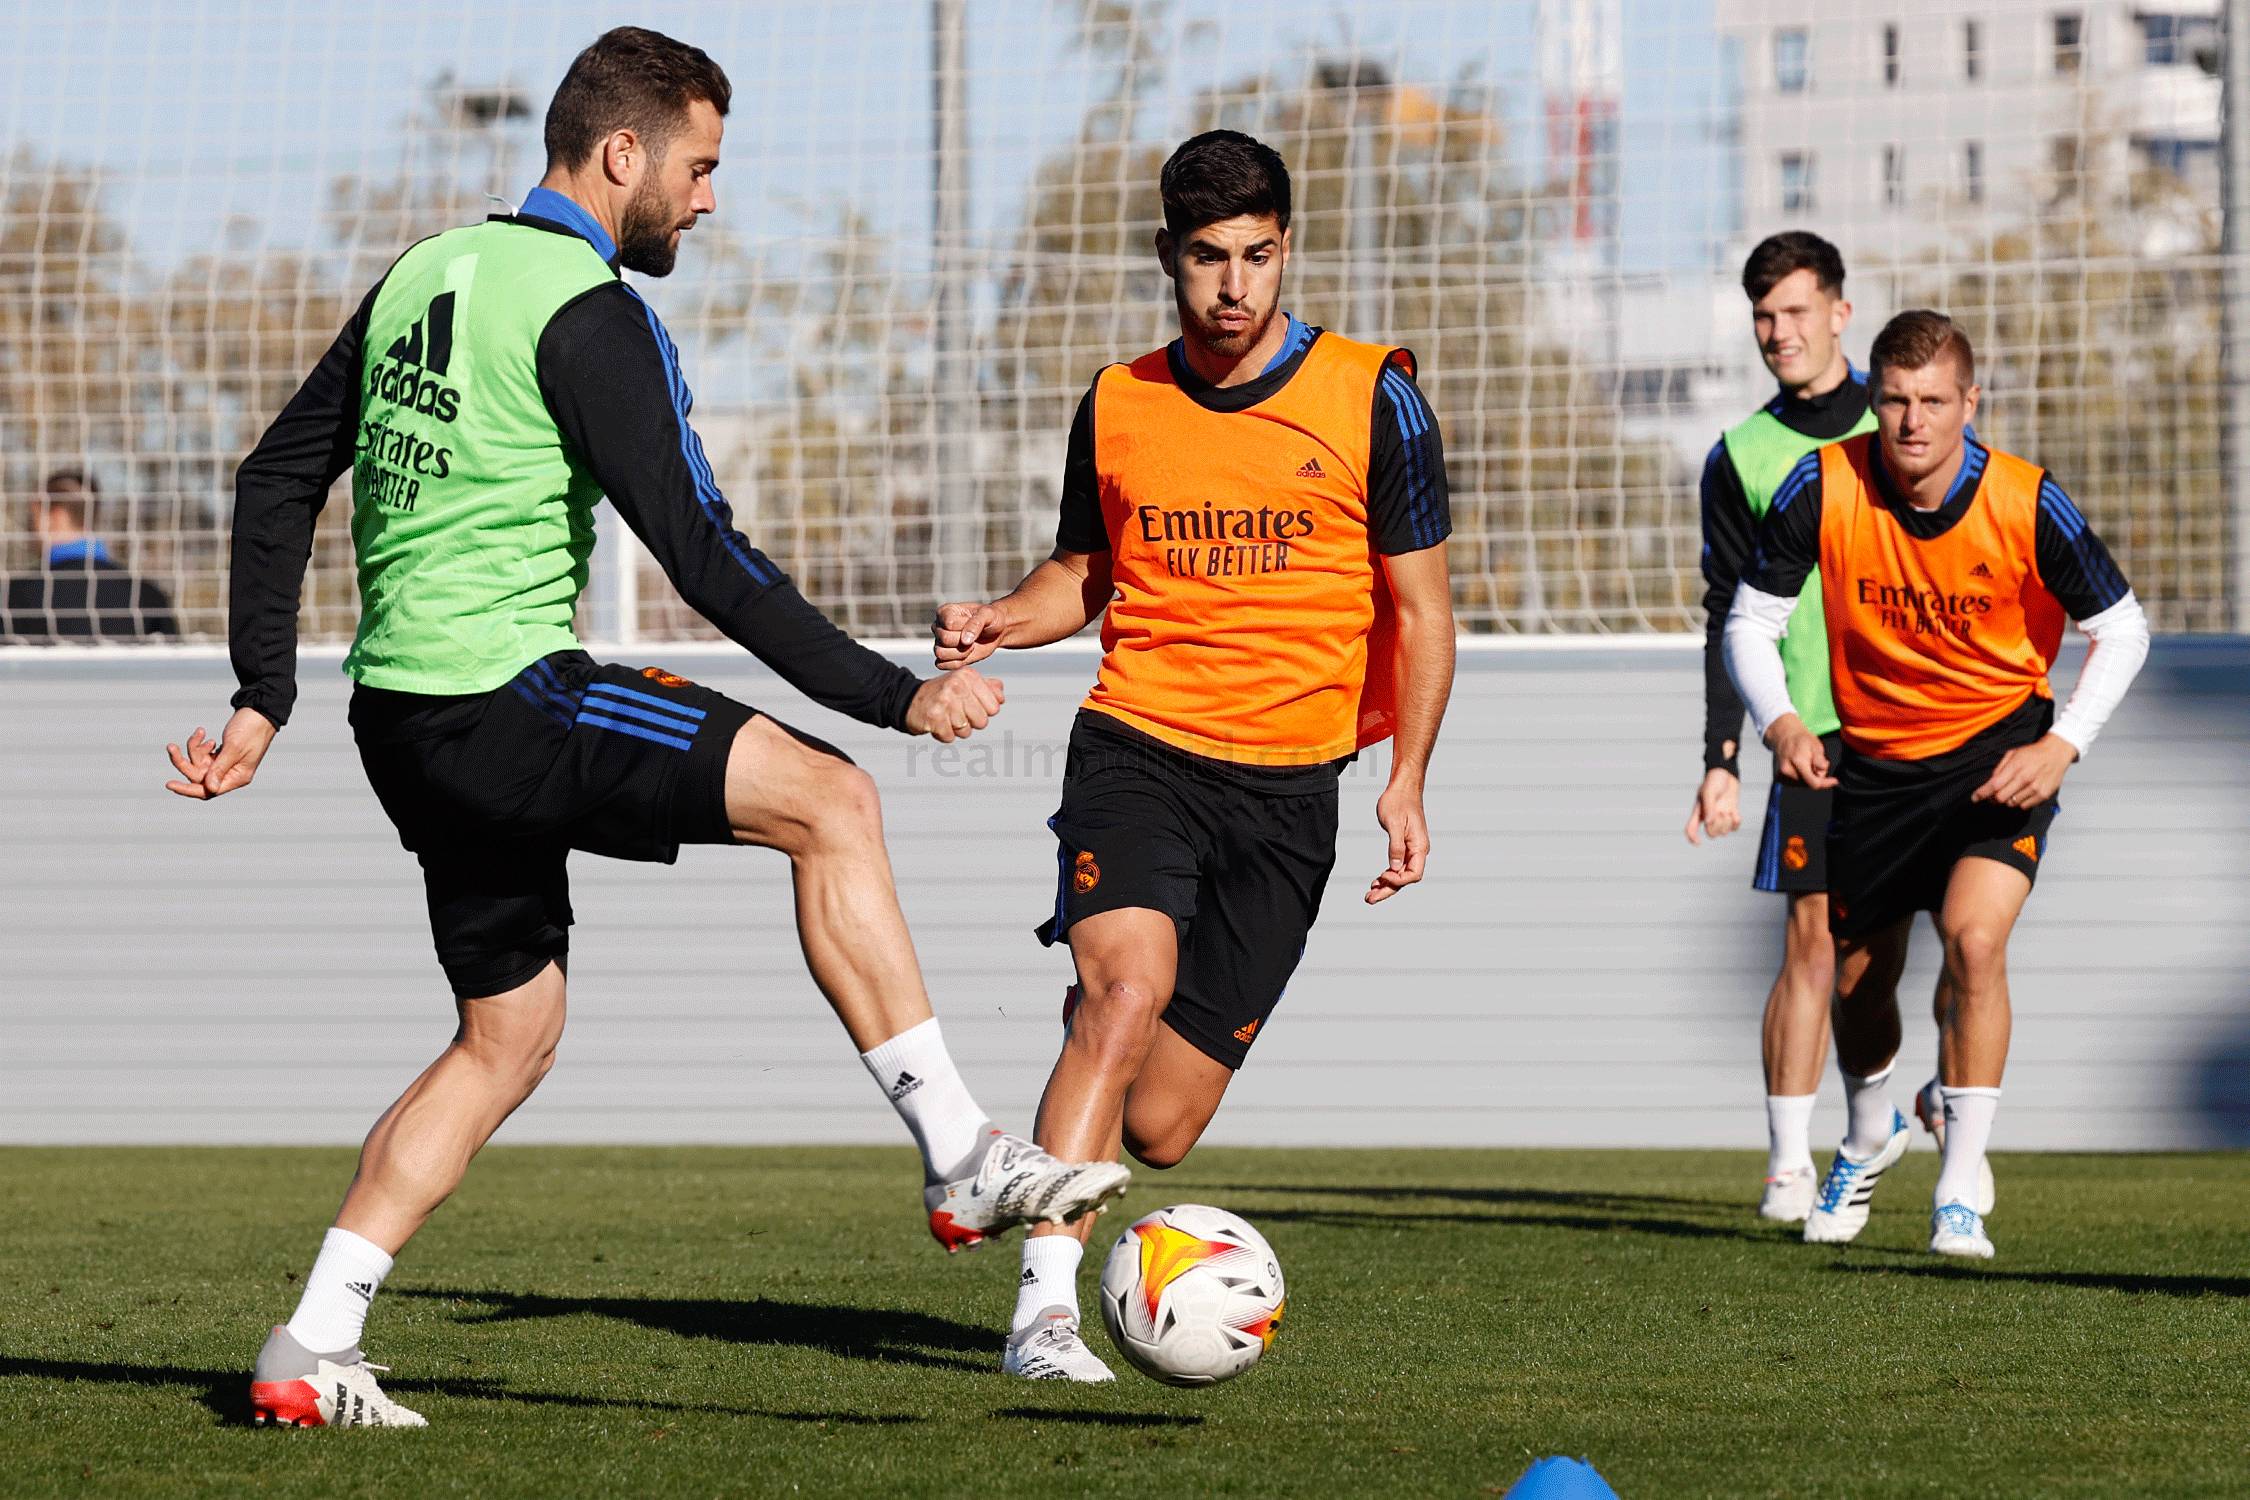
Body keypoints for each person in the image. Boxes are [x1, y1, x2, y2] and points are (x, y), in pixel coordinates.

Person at [162, 27, 1126, 1429]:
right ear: (624, 155)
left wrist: (264, 696)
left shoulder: (425, 270)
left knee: (509, 1036)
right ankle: (960, 1155)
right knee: (834, 800)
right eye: (700, 166)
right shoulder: (589, 311)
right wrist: (893, 693)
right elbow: (703, 552)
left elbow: (274, 478)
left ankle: (311, 1342)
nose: (707, 199)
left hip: (399, 724)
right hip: (508, 698)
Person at [932, 130, 1456, 1380]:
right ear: (1167, 255)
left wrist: (1408, 778)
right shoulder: (1120, 401)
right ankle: (1044, 1315)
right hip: (1141, 747)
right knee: (1125, 992)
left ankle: (1072, 1075)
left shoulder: (1374, 393)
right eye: (1209, 258)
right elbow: (1085, 575)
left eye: (1258, 256)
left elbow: (1425, 610)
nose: (1235, 286)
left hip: (1293, 791)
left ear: (1288, 250)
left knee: (1161, 1125)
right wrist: (1004, 615)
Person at [1725, 309, 2149, 1258]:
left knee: (1975, 939)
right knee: (1862, 982)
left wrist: (2064, 744)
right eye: (1894, 402)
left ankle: (1960, 1189)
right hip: (1873, 766)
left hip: (1999, 760)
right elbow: (1749, 623)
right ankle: (1872, 1129)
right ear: (1873, 404)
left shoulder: (2027, 499)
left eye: (1933, 402)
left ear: (1970, 402)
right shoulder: (1822, 483)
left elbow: (2122, 628)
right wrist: (1781, 721)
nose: (1912, 422)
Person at [1687, 231, 1873, 1223]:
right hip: (1810, 733)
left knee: (1929, 943)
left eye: (1797, 312)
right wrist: (1723, 757)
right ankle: (1791, 1163)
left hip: (1926, 728)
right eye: (1764, 316)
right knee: (1810, 939)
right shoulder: (1743, 456)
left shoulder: (1910, 421)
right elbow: (1725, 615)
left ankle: (1929, 1112)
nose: (1779, 333)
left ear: (1841, 312)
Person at [2, 468, 177, 639]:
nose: (28, 528)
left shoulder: (13, 598)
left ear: (55, 517)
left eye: (32, 517)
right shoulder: (147, 597)